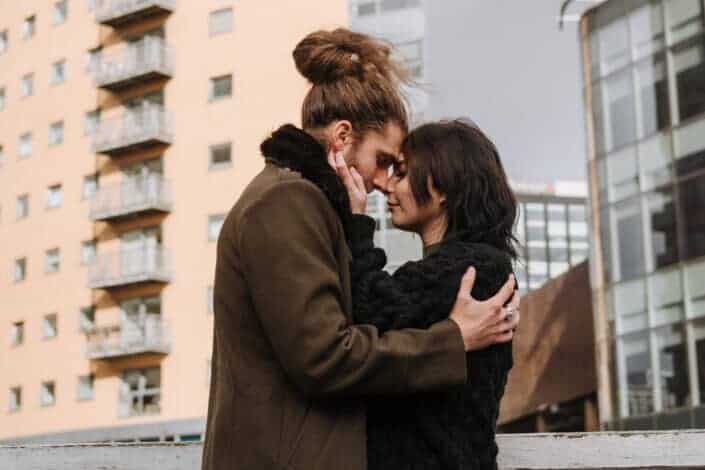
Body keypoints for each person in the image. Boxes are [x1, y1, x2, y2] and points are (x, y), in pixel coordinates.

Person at [201, 29, 520, 470]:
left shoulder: (304, 202)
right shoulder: (287, 201)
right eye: (385, 160)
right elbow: (325, 356)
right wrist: (453, 339)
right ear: (342, 137)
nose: (383, 180)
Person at [336, 119, 518, 469]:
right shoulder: (465, 268)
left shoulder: (472, 270)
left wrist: (356, 224)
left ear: (442, 185)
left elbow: (369, 312)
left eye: (401, 173)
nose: (387, 186)